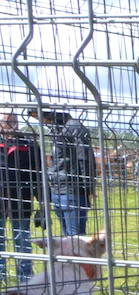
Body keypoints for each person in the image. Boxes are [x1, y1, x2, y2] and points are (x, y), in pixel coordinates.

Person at [28, 106, 96, 236]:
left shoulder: (74, 127)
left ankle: (77, 257)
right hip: (58, 190)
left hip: (72, 190)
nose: (41, 121)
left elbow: (84, 158)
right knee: (67, 237)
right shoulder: (57, 129)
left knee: (75, 238)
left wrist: (88, 186)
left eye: (39, 116)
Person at [0, 112, 43, 285]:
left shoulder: (29, 144)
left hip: (21, 201)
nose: (11, 124)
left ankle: (25, 277)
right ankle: (1, 275)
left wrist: (42, 203)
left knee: (22, 241)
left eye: (14, 121)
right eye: (7, 121)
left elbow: (38, 175)